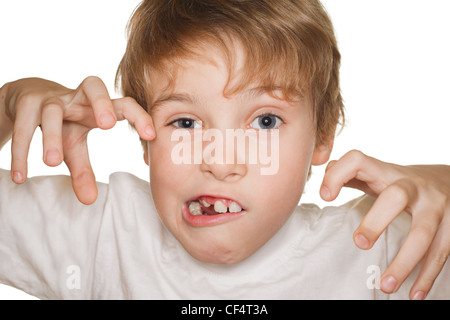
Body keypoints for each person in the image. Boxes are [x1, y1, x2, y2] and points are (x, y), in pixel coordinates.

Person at [0, 0, 449, 300]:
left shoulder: (381, 242)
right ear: (145, 137)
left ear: (323, 136)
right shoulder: (100, 229)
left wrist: (445, 185)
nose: (219, 161)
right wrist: (7, 106)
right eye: (185, 123)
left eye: (266, 121)